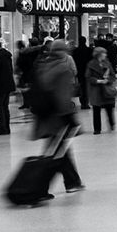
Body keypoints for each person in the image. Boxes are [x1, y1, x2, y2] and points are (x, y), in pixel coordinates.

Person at [28, 40, 83, 196]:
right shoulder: (63, 69)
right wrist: (69, 117)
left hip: (44, 116)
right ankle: (39, 189)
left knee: (59, 150)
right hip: (58, 118)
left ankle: (72, 181)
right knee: (55, 154)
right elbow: (62, 96)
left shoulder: (43, 65)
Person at [86, 45, 117, 133]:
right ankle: (97, 129)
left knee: (109, 109)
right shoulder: (91, 64)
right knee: (96, 109)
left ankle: (111, 124)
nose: (105, 55)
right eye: (104, 53)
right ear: (99, 54)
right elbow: (88, 77)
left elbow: (113, 76)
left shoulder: (107, 63)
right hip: (96, 90)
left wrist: (107, 80)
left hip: (107, 89)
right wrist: (98, 81)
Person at [73, 37, 94, 109]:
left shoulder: (76, 51)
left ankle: (82, 102)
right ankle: (86, 102)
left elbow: (74, 62)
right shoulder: (89, 50)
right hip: (88, 71)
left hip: (79, 71)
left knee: (81, 87)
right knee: (87, 87)